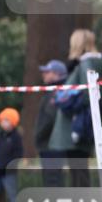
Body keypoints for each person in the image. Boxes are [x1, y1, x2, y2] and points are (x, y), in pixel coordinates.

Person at [45, 29, 102, 187]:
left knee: (78, 172)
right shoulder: (96, 63)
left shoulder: (85, 64)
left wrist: (66, 103)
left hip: (76, 128)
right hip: (83, 126)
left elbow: (88, 96)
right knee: (78, 171)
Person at [34, 59, 70, 188]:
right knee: (52, 181)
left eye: (47, 72)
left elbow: (50, 118)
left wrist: (39, 136)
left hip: (51, 145)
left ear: (56, 74)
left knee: (53, 182)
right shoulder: (54, 91)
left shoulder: (56, 92)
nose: (44, 74)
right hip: (51, 144)